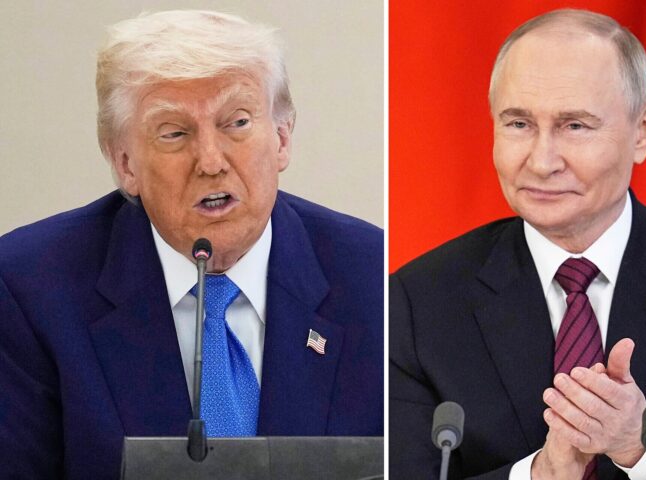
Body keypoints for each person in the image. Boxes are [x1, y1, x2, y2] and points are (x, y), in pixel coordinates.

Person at [0, 10, 382, 479]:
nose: (210, 161)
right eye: (175, 133)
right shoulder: (29, 289)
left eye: (236, 123)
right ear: (125, 164)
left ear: (282, 138)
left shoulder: (374, 276)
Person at [389, 9, 646, 480]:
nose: (542, 161)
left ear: (643, 130)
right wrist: (541, 475)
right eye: (519, 124)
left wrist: (640, 447)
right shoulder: (416, 302)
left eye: (575, 126)